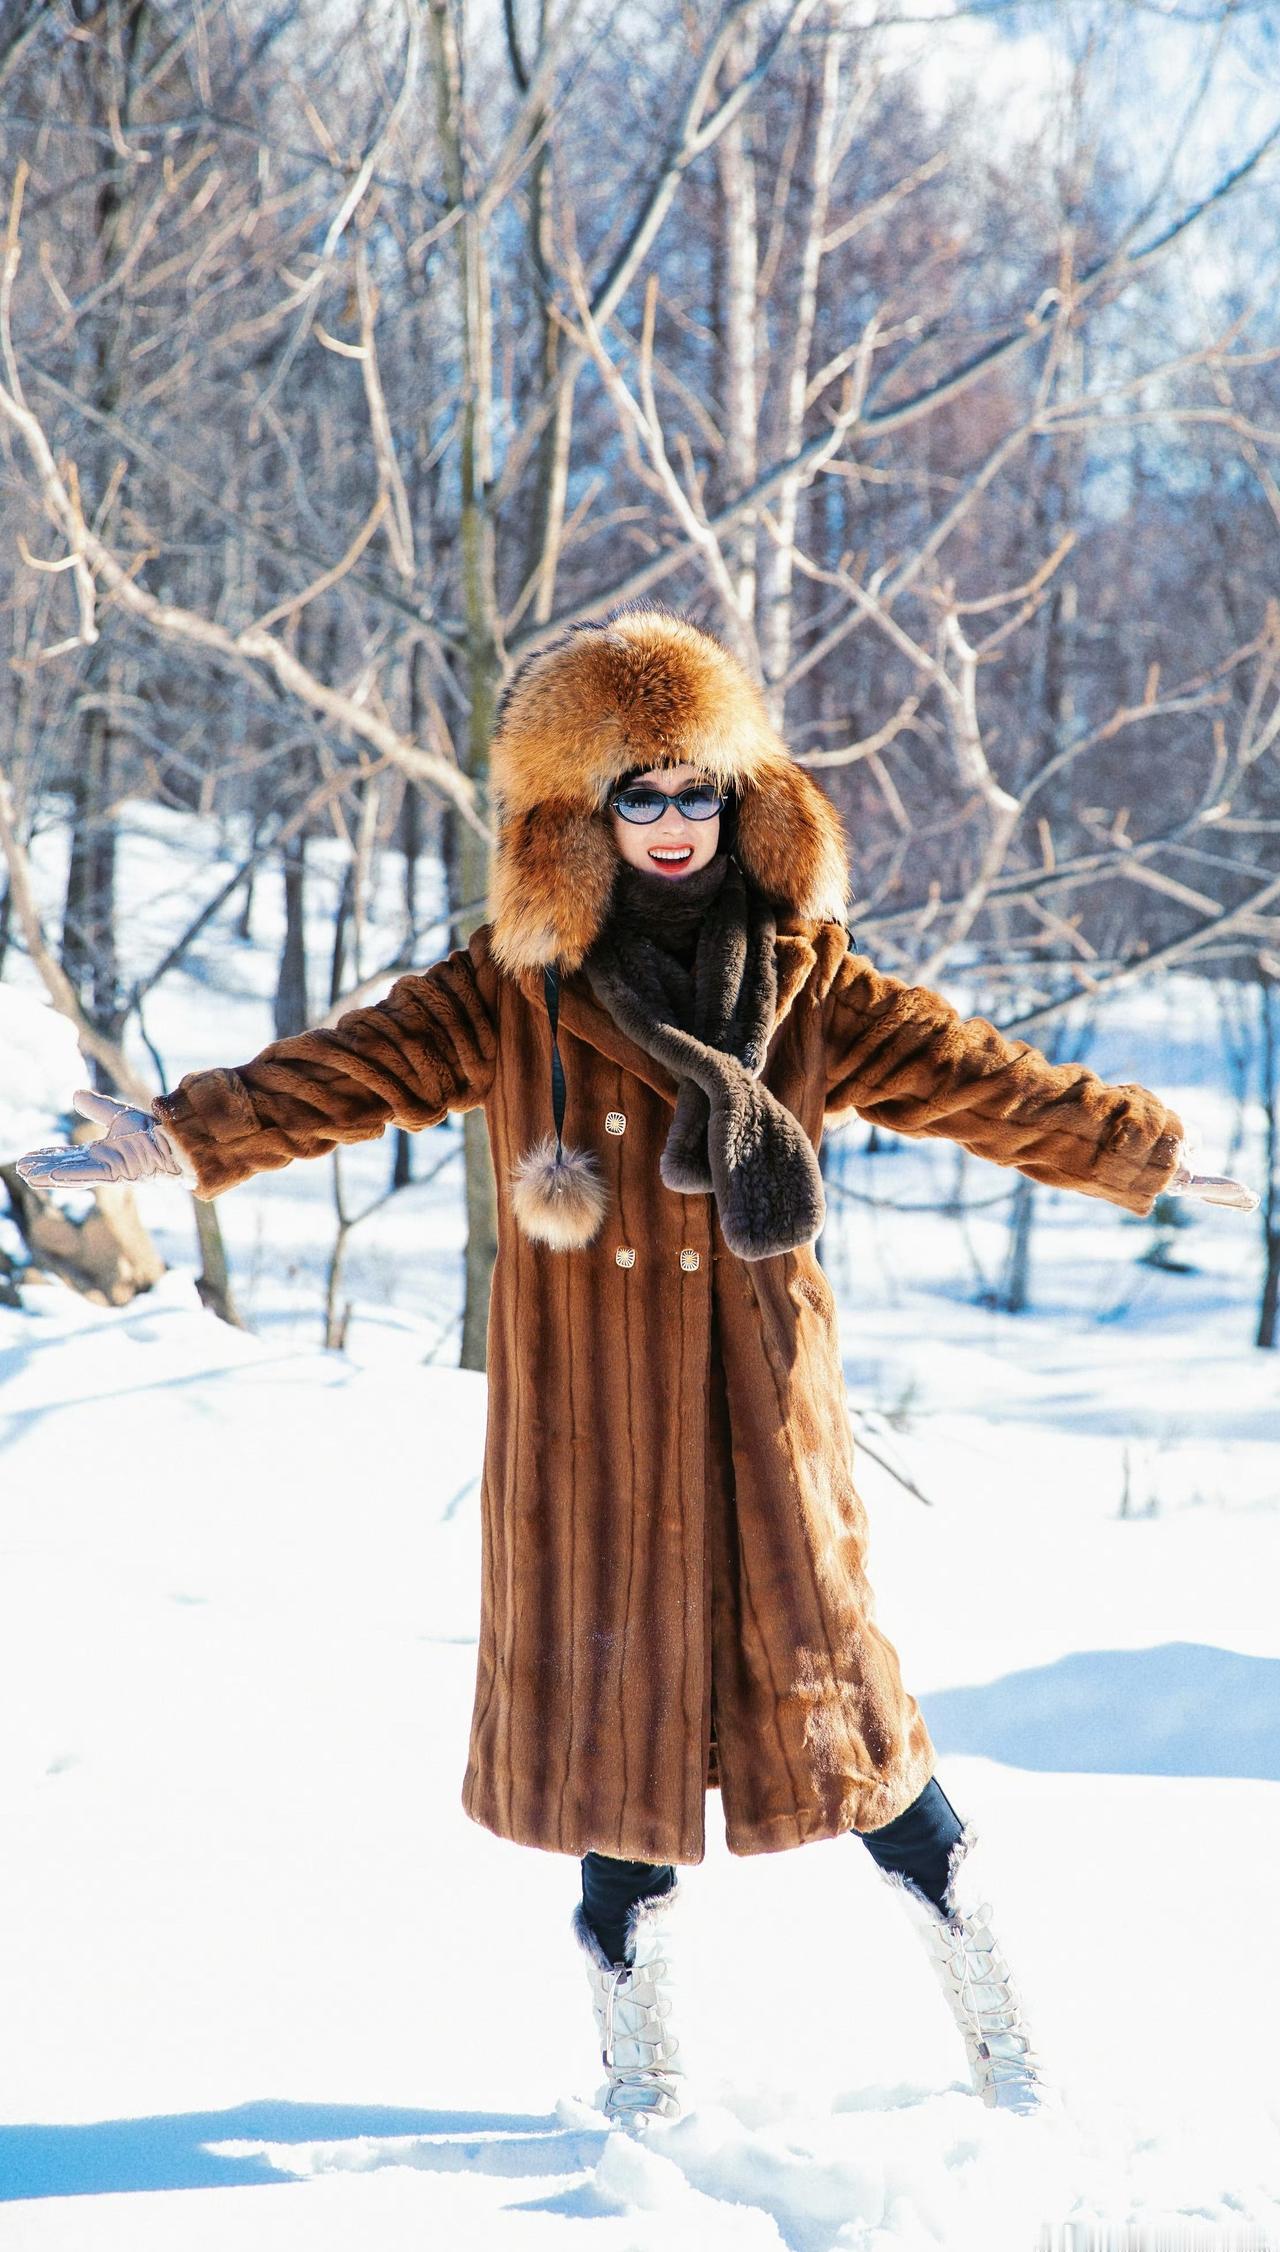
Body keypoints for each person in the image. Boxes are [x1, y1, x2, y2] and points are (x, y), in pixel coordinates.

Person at [17, 603, 1256, 2135]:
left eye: (696, 792)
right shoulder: (509, 993)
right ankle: (641, 2089)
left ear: (742, 801)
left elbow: (977, 1078)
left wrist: (1149, 1154)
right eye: (637, 796)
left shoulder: (812, 985)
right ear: (580, 817)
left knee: (860, 1737)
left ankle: (1007, 2058)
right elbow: (337, 1073)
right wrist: (172, 1136)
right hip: (591, 1450)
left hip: (762, 1431)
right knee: (619, 1760)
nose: (671, 826)